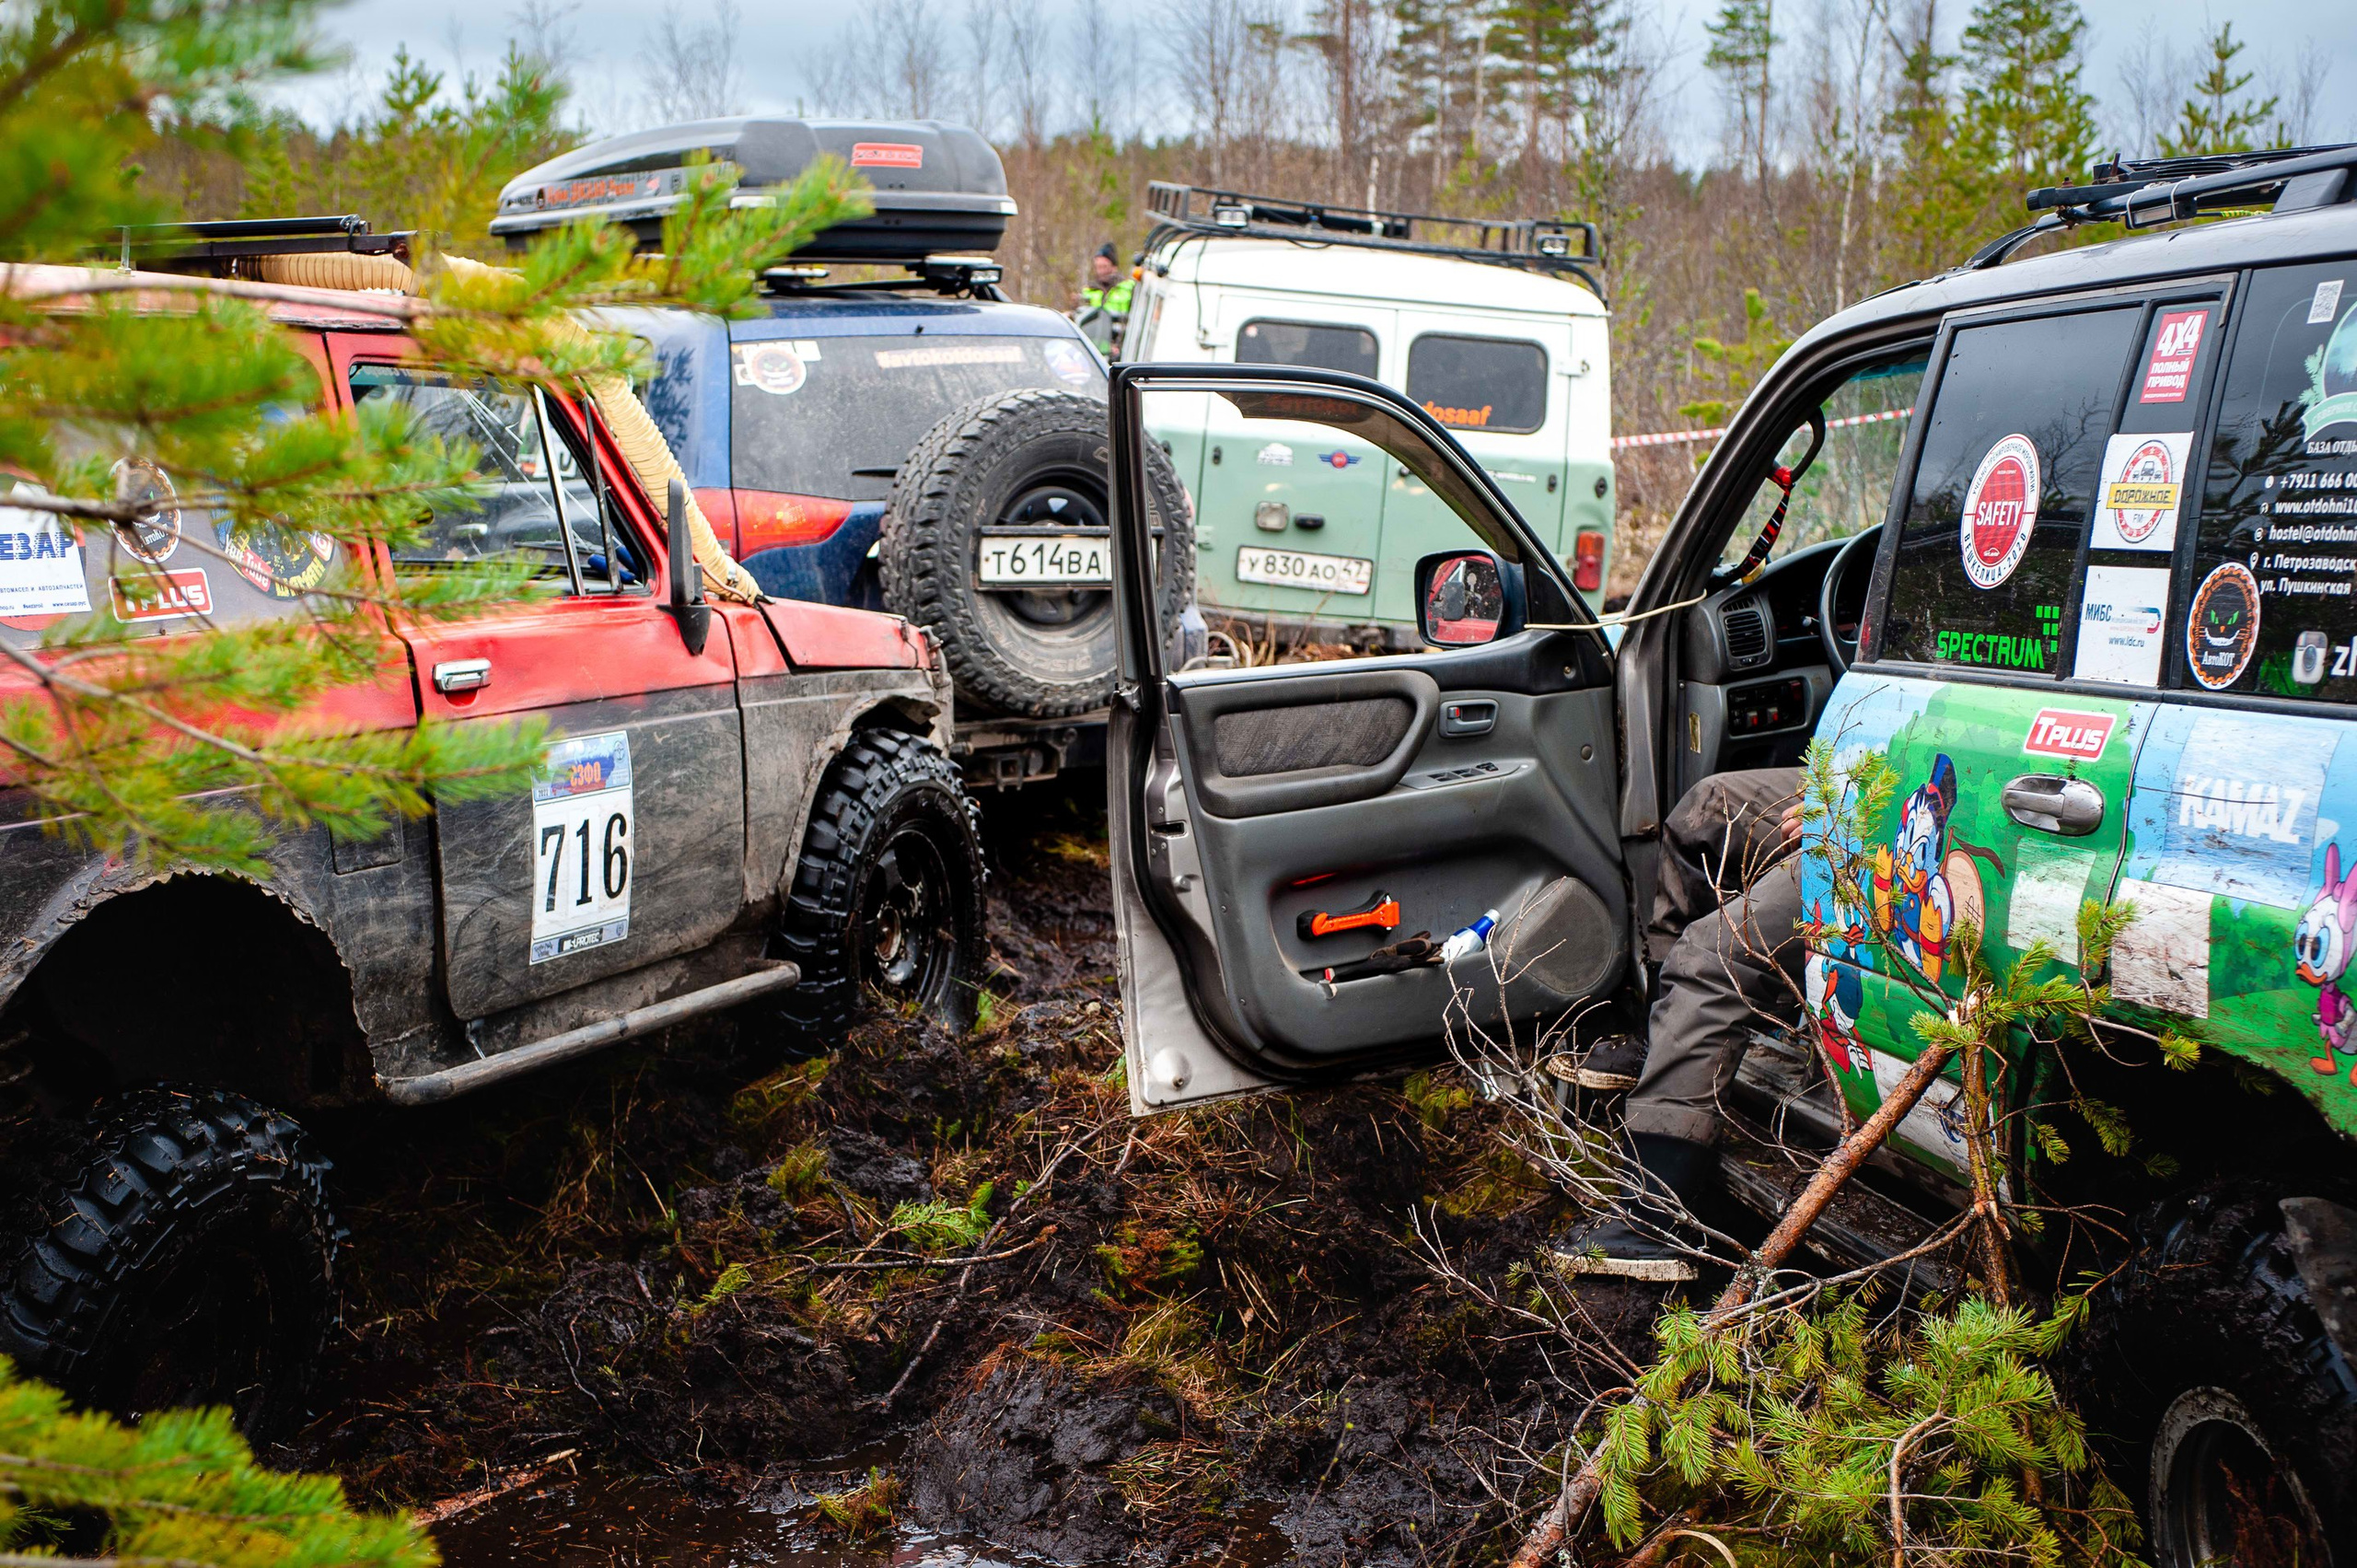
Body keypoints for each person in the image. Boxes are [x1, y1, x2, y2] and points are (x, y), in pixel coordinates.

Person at [1553, 766, 1808, 1282]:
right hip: (1870, 770)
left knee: (1711, 958)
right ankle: (1664, 1040)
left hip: (1901, 816)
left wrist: (1850, 810)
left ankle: (1653, 1219)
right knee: (1707, 808)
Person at [1074, 244, 1133, 357]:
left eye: (1104, 266)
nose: (1101, 271)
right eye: (1098, 267)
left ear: (1114, 267)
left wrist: (1119, 345)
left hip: (1123, 348)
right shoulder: (1088, 291)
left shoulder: (1128, 288)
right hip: (1095, 350)